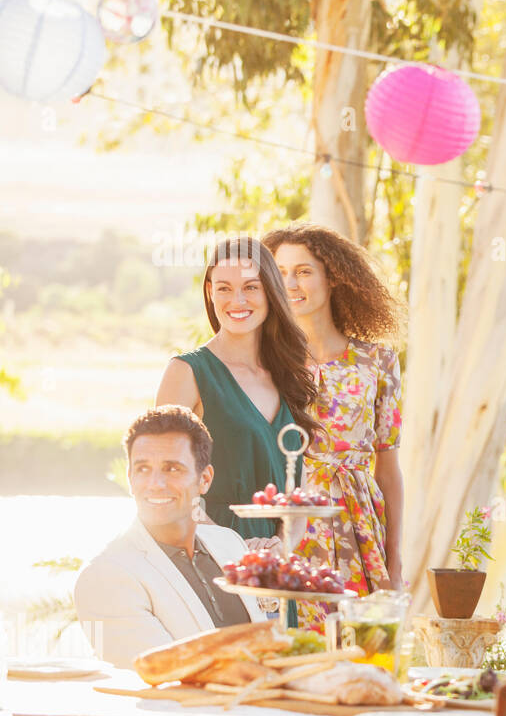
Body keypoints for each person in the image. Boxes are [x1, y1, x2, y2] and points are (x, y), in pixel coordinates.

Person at [264, 225, 405, 623]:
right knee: (295, 646)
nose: (290, 283)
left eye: (304, 271)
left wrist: (393, 561)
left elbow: (389, 469)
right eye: (280, 272)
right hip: (290, 523)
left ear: (333, 278)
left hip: (359, 526)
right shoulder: (266, 362)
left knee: (362, 647)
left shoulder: (378, 362)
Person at [155, 237, 320, 540]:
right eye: (224, 288)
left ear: (271, 291)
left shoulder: (288, 376)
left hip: (271, 570)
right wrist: (231, 549)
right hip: (206, 560)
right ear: (210, 292)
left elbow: (297, 491)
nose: (237, 301)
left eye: (250, 287)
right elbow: (162, 481)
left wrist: (278, 551)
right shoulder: (187, 372)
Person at [74, 407, 265, 667]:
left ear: (205, 479)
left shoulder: (229, 543)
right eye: (142, 469)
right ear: (129, 478)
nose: (155, 483)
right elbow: (161, 673)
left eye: (172, 469)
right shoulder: (106, 574)